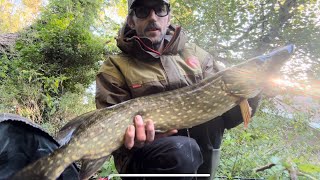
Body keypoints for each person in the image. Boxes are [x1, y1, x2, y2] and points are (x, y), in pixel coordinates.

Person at [95, 0, 261, 179]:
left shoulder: (198, 56)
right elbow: (108, 130)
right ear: (131, 21)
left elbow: (228, 118)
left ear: (169, 16)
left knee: (191, 142)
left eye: (160, 9)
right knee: (181, 151)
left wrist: (254, 93)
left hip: (199, 158)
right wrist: (134, 142)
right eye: (143, 11)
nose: (153, 17)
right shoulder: (114, 67)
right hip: (143, 157)